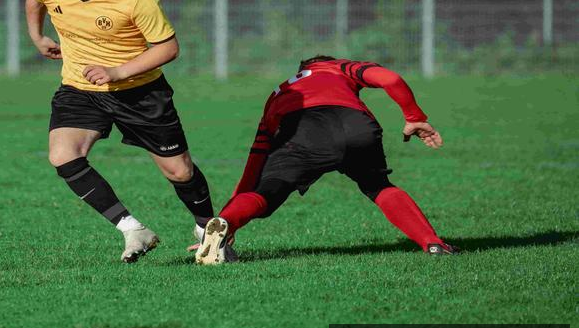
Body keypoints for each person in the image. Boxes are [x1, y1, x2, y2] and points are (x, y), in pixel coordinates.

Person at [25, 0, 222, 263]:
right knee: (63, 155)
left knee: (179, 172)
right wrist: (37, 36)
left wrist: (116, 71)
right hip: (80, 89)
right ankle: (133, 229)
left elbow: (167, 48)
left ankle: (208, 230)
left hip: (140, 93)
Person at [195, 55, 458, 265]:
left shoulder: (277, 94)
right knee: (378, 185)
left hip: (302, 130)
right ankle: (432, 243)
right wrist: (414, 117)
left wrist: (229, 221)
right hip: (355, 125)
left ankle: (224, 224)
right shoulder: (337, 67)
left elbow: (255, 161)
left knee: (268, 190)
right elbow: (390, 78)